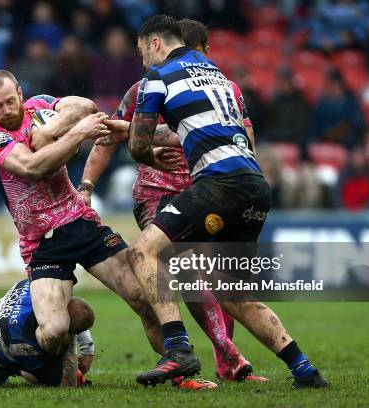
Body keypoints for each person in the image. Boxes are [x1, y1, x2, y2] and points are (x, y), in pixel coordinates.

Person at [117, 15, 328, 388]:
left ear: (154, 44)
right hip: (255, 186)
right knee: (234, 295)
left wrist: (147, 154)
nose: (142, 61)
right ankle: (305, 370)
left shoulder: (156, 78)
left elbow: (138, 144)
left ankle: (178, 350)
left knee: (144, 252)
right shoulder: (216, 74)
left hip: (219, 184)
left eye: (141, 51)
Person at [78, 18, 265, 383]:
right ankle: (213, 357)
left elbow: (244, 141)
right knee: (185, 271)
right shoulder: (146, 87)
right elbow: (108, 137)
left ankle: (221, 360)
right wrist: (85, 186)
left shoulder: (226, 90)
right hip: (158, 192)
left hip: (211, 190)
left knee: (222, 281)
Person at [0, 70, 181, 388]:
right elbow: (32, 167)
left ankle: (178, 372)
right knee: (54, 331)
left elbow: (85, 106)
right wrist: (75, 133)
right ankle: (37, 344)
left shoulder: (40, 106)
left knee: (144, 297)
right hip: (42, 242)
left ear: (20, 93)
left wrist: (54, 128)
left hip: (81, 221)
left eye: (10, 102)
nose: (6, 111)